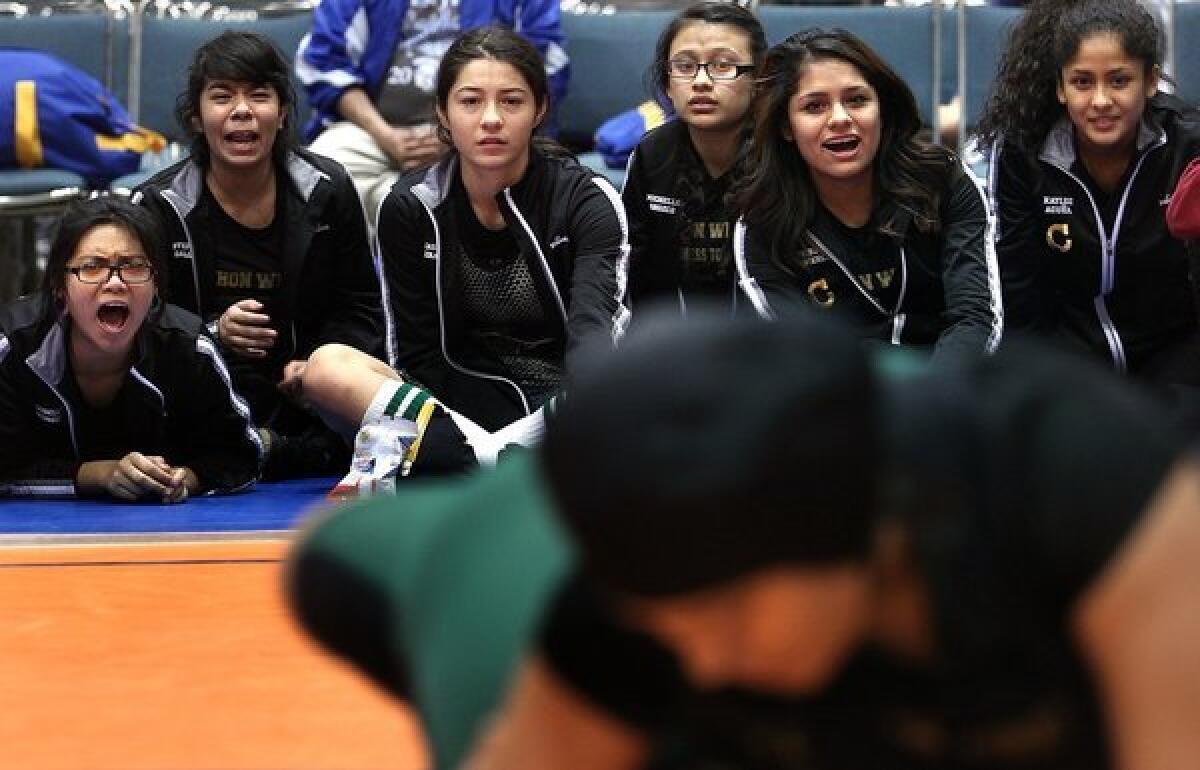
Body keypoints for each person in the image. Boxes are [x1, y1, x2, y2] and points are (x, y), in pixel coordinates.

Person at [290, 309, 1200, 770]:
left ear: (864, 540)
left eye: (719, 608)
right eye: (663, 618)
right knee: (326, 566)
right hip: (492, 546)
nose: (694, 649)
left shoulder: (1091, 489)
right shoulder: (618, 629)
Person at [298, 26, 628, 485]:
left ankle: (459, 464)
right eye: (471, 101)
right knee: (326, 368)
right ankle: (496, 464)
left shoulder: (585, 200)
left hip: (562, 398)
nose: (490, 119)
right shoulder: (412, 204)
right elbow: (412, 356)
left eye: (511, 101)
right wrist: (471, 434)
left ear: (540, 110)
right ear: (443, 113)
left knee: (633, 384)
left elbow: (594, 344)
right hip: (452, 404)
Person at [133, 31, 385, 480]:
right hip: (205, 390)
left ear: (283, 113)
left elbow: (361, 307)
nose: (242, 110)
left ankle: (273, 450)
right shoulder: (158, 205)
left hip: (309, 394)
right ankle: (268, 452)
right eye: (223, 96)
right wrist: (213, 332)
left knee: (351, 384)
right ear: (196, 117)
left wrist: (318, 362)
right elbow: (140, 322)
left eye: (259, 95)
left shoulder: (328, 190)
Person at [974, 0, 1200, 396]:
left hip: (1175, 354)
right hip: (1065, 358)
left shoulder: (1187, 146)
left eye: (1119, 80)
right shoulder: (1021, 154)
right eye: (1082, 82)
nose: (1100, 101)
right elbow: (1018, 288)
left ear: (1151, 82)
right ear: (1060, 88)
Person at [733, 29, 1002, 361]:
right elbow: (795, 353)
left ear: (882, 108)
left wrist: (935, 397)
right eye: (815, 106)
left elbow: (975, 319)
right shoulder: (763, 218)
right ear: (787, 126)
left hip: (946, 387)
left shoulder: (943, 181)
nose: (841, 119)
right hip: (838, 397)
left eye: (857, 100)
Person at [0, 197, 261, 501]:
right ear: (60, 286)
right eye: (92, 267)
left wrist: (183, 479)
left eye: (134, 266)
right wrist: (100, 475)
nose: (115, 282)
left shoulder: (189, 348)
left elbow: (242, 455)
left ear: (156, 287)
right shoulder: (11, 348)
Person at [296, 0, 569, 225]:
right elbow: (322, 63)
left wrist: (453, 133)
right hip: (373, 130)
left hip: (477, 127)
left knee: (493, 177)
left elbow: (544, 68)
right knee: (323, 171)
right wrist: (384, 134)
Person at [622, 1, 766, 316]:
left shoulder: (782, 156)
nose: (701, 82)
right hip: (670, 346)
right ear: (667, 84)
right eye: (685, 66)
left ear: (757, 80)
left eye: (723, 65)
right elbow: (632, 269)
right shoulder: (652, 154)